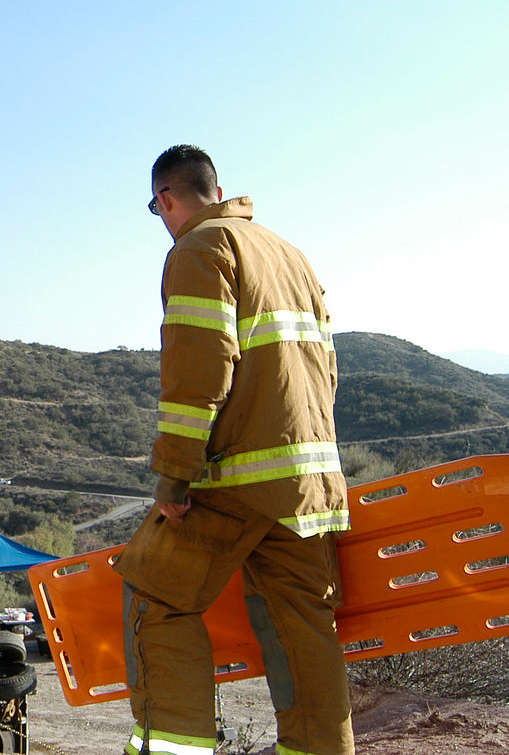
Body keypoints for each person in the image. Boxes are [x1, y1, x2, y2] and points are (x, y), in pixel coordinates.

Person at [114, 144, 354, 755]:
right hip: (310, 486)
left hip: (235, 481)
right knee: (303, 628)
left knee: (155, 594)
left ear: (167, 198)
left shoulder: (199, 248)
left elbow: (198, 372)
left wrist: (173, 474)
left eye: (155, 208)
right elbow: (325, 370)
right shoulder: (288, 253)